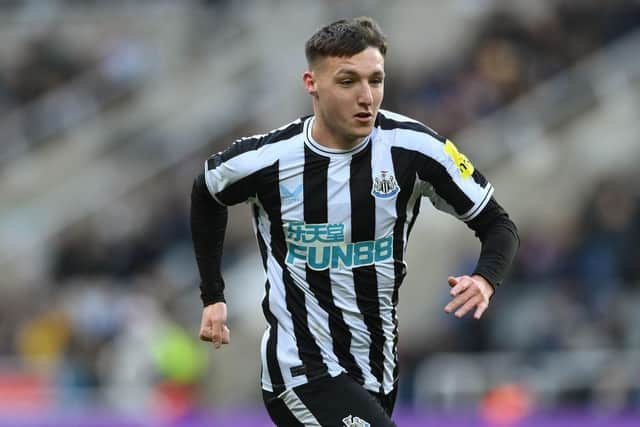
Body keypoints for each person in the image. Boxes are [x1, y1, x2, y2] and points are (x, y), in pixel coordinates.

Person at [190, 16, 519, 427]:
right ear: (312, 83)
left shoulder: (414, 149)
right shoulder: (270, 159)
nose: (367, 96)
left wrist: (485, 278)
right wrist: (212, 294)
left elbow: (498, 224)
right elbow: (206, 191)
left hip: (376, 369)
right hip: (300, 370)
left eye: (375, 80)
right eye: (348, 82)